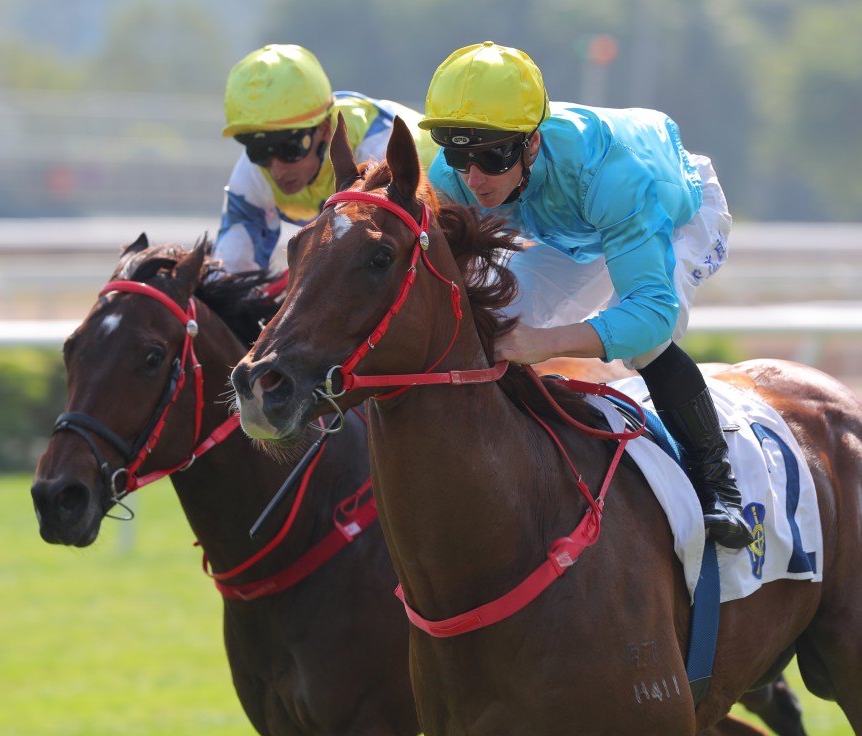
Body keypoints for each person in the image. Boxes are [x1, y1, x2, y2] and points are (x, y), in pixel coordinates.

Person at [419, 42, 753, 550]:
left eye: (491, 154)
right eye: (458, 152)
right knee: (496, 320)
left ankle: (719, 488)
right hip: (570, 232)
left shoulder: (611, 173)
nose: (474, 178)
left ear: (531, 144)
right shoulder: (452, 179)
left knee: (645, 344)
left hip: (672, 213)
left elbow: (651, 314)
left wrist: (546, 343)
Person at [217, 43, 439, 273]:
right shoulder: (253, 171)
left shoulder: (376, 149)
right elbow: (231, 269)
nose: (277, 170)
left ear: (324, 129)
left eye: (288, 149)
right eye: (259, 150)